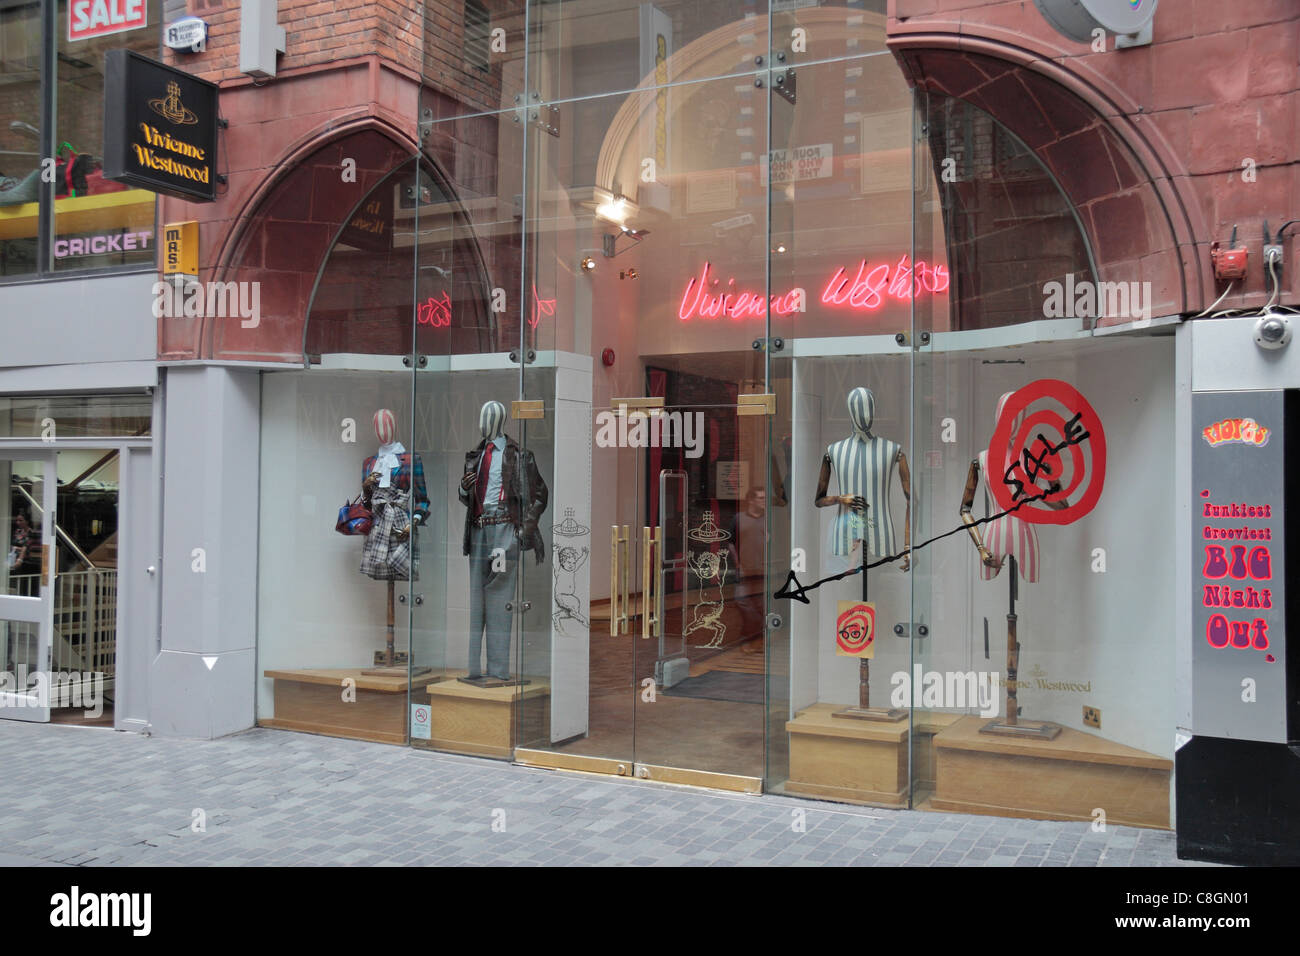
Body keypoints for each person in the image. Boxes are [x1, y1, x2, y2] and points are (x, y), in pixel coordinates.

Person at [727, 487, 767, 653]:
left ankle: (754, 642)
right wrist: (737, 564)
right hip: (744, 571)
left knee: (759, 606)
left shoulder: (768, 519)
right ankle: (751, 639)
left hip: (762, 572)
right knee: (743, 602)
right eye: (760, 498)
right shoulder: (739, 518)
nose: (764, 501)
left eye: (765, 498)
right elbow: (731, 543)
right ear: (751, 500)